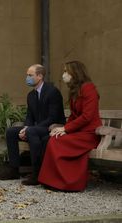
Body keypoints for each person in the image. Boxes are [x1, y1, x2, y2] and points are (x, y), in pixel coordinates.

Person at [0, 64, 65, 185]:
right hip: (37, 128)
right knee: (11, 132)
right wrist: (26, 127)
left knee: (32, 132)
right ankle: (14, 168)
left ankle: (37, 173)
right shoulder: (31, 95)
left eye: (30, 75)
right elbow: (30, 116)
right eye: (27, 75)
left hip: (52, 127)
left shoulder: (52, 92)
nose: (27, 78)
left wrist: (30, 129)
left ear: (40, 76)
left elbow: (53, 117)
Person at [38, 61, 102, 191]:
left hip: (90, 134)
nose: (64, 74)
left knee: (57, 142)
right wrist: (62, 129)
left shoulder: (89, 89)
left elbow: (87, 116)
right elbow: (74, 115)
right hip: (79, 132)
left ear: (75, 73)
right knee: (54, 138)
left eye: (66, 71)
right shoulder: (75, 91)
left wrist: (65, 129)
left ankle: (67, 183)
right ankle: (52, 181)